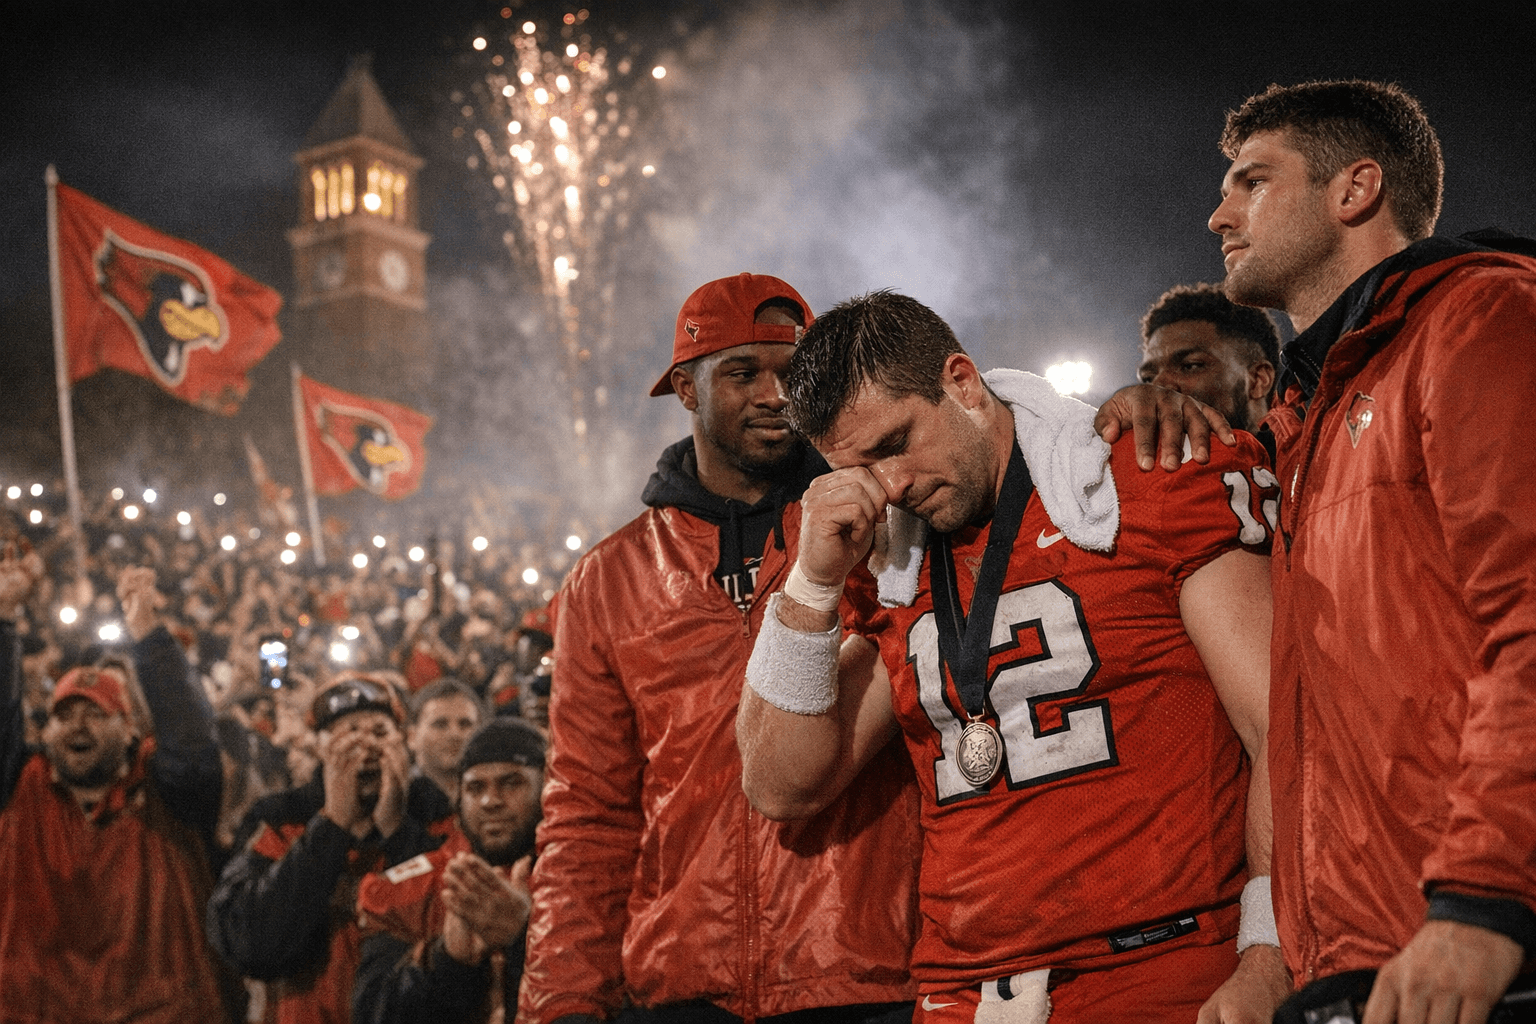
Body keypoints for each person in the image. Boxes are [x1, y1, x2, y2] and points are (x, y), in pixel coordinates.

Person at [736, 290, 1288, 1024]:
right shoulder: (891, 556)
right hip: (960, 990)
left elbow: (1283, 723)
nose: (889, 484)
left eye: (896, 442)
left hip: (1158, 964)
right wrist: (811, 583)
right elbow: (780, 786)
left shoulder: (1141, 474)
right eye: (861, 465)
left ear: (962, 382)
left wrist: (1271, 945)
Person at [1204, 79, 1536, 1024]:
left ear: (1354, 191)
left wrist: (1485, 900)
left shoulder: (1483, 321)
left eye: (1251, 182)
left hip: (1475, 945)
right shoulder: (1310, 414)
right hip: (1358, 956)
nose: (1218, 213)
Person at [519, 273, 922, 1024]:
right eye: (742, 374)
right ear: (686, 388)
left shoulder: (885, 526)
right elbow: (588, 811)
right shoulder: (607, 580)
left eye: (790, 374)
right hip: (681, 986)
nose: (776, 396)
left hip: (866, 974)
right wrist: (562, 1001)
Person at [1, 554, 233, 1023]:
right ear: (43, 734)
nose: (76, 725)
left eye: (94, 713)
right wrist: (5, 619)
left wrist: (148, 632)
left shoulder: (169, 790)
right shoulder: (20, 789)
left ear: (130, 731)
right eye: (63, 715)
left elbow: (192, 743)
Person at [208, 672, 452, 1024]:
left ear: (404, 743)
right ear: (319, 747)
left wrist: (399, 834)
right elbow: (252, 944)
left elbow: (446, 932)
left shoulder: (435, 816)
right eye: (349, 734)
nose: (366, 746)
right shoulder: (280, 819)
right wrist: (332, 825)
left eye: (380, 733)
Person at [353, 718, 546, 1024]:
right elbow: (372, 1014)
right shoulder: (404, 891)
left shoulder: (585, 884)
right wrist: (444, 961)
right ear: (458, 798)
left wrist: (526, 941)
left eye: (512, 783)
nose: (490, 801)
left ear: (547, 790)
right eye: (475, 787)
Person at [1136, 282, 1279, 443]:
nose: (1157, 386)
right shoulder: (1120, 457)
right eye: (1148, 378)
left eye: (1189, 366)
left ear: (1258, 380)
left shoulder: (1305, 462)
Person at [406, 678, 483, 806]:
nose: (455, 734)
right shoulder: (394, 801)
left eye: (465, 724)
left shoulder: (493, 801)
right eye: (440, 724)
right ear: (412, 737)